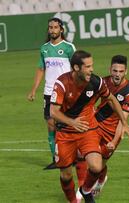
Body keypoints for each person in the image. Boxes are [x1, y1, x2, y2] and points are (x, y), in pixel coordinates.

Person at [50, 50, 129, 203]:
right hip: (65, 133)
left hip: (88, 130)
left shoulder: (96, 82)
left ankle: (85, 190)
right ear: (76, 68)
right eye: (87, 67)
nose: (91, 69)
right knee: (66, 175)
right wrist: (72, 122)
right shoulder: (62, 83)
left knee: (96, 167)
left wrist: (124, 122)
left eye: (92, 65)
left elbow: (112, 100)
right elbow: (53, 111)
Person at [27, 17, 76, 169]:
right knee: (50, 125)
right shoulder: (44, 48)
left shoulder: (69, 47)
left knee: (67, 125)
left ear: (61, 29)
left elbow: (76, 69)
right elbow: (41, 69)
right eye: (50, 27)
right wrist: (33, 90)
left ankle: (73, 156)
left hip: (66, 92)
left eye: (55, 27)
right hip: (49, 92)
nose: (53, 30)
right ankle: (56, 160)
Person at [91, 55, 129, 196]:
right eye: (115, 71)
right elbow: (92, 101)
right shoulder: (103, 82)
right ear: (110, 69)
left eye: (121, 71)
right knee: (90, 159)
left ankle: (102, 179)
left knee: (100, 165)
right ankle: (84, 190)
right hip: (96, 125)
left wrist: (114, 141)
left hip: (112, 132)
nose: (117, 74)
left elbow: (122, 121)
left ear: (126, 71)